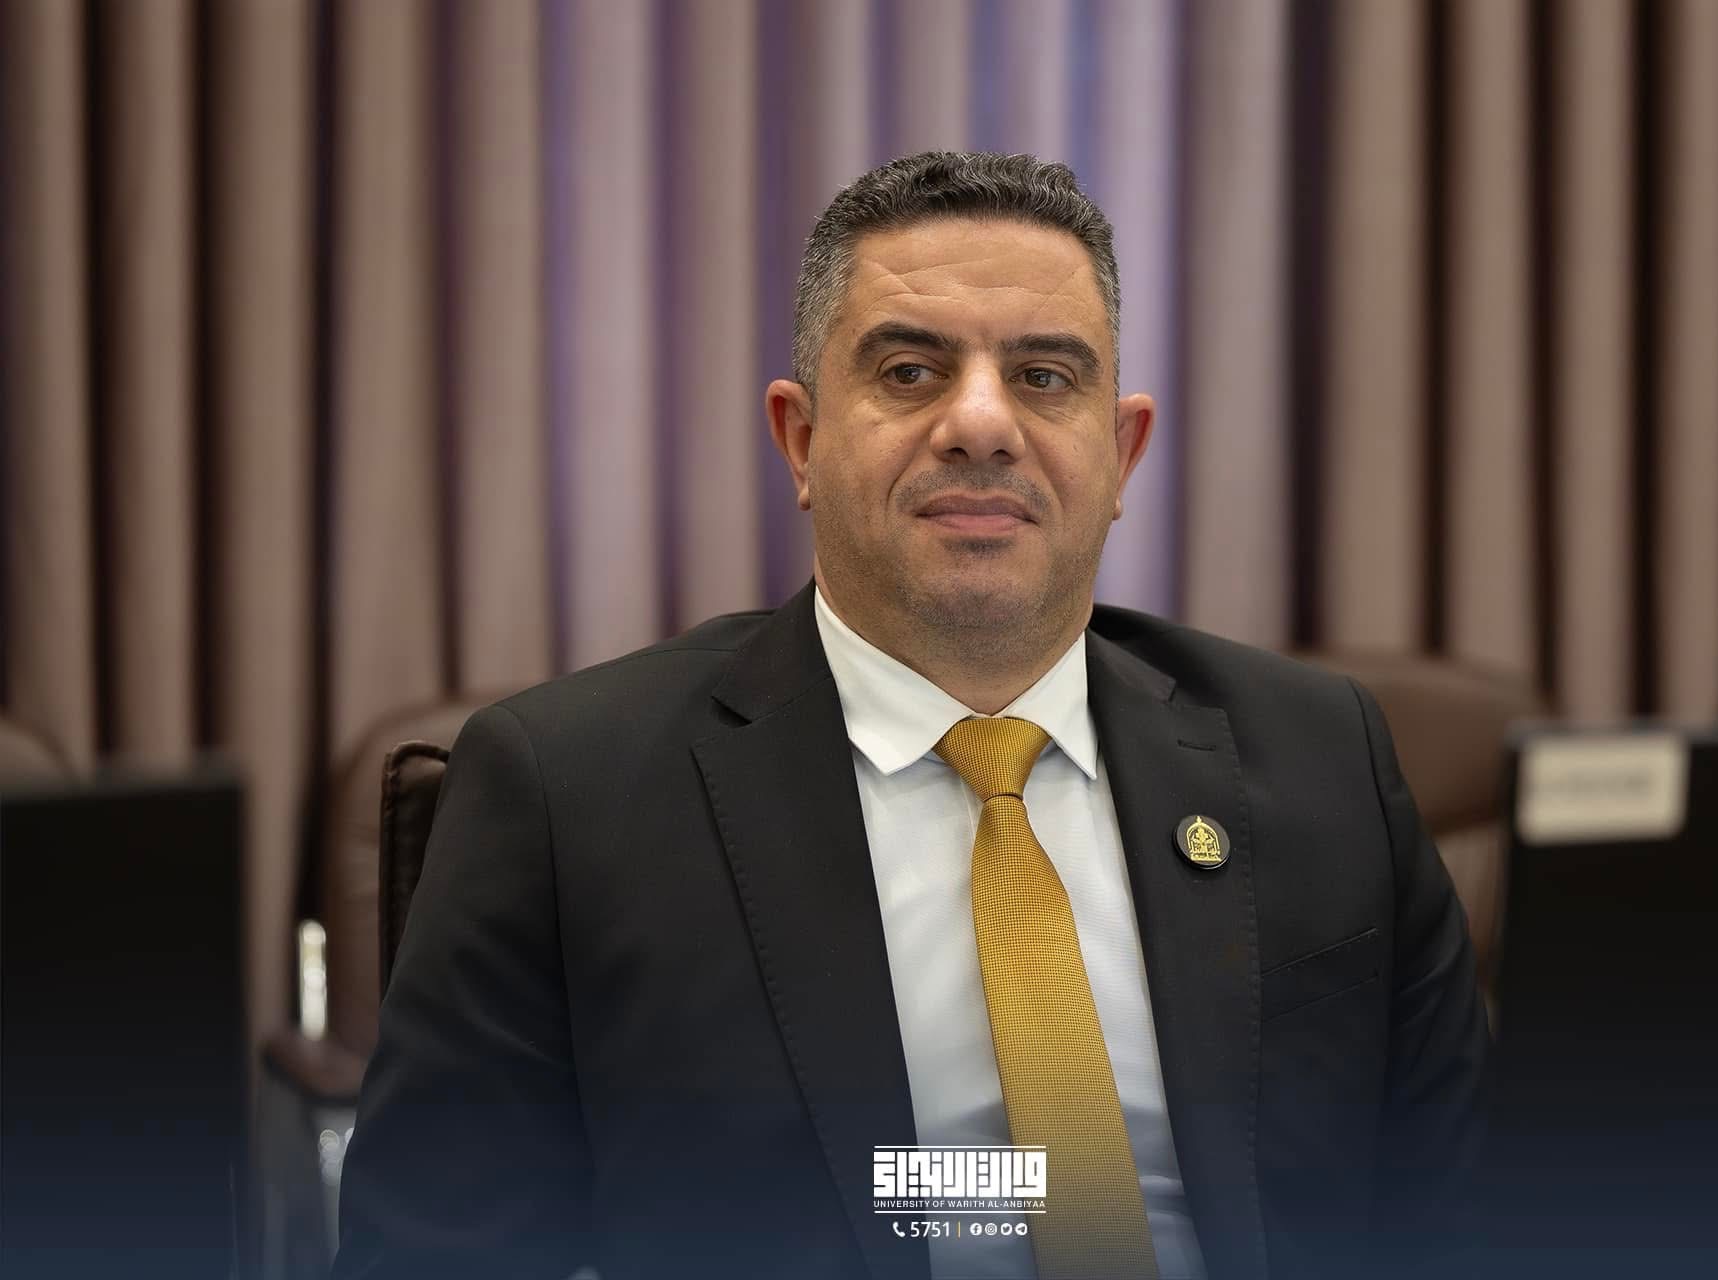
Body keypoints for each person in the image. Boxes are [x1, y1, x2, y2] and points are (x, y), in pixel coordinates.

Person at [334, 151, 1489, 1280]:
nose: (980, 423)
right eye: (908, 370)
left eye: (1045, 376)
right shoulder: (568, 792)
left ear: (1123, 450)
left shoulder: (1322, 755)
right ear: (801, 438)